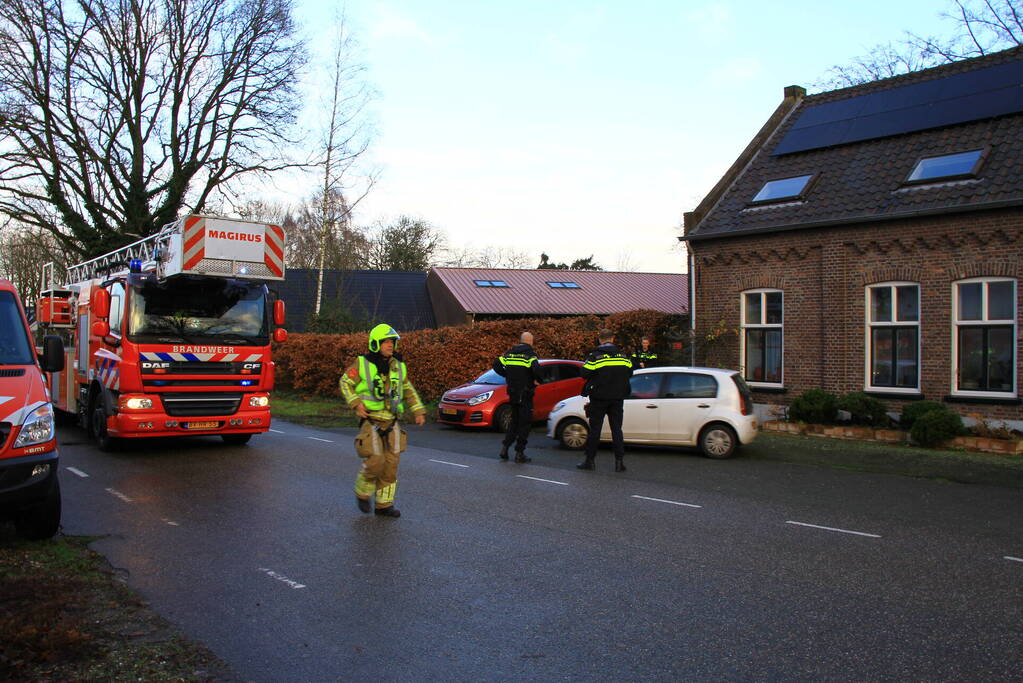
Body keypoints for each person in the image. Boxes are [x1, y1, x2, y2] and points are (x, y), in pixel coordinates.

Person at [340, 323, 426, 518]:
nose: (390, 345)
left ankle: (384, 505)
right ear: (375, 344)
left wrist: (418, 410)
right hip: (371, 420)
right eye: (385, 341)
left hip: (392, 421)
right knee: (375, 461)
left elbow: (408, 389)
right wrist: (356, 403)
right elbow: (345, 383)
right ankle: (362, 493)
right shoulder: (361, 363)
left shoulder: (398, 365)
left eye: (392, 342)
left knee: (391, 465)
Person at [577, 328, 633, 472]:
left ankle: (590, 461)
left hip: (599, 398)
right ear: (613, 339)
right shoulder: (623, 356)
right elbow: (630, 372)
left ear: (600, 339)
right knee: (617, 430)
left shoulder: (595, 356)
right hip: (617, 398)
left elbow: (584, 373)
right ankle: (619, 463)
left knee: (595, 430)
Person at [492, 331, 543, 463]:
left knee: (514, 422)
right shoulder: (530, 355)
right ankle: (519, 453)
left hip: (513, 393)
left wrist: (506, 375)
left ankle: (505, 448)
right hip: (525, 393)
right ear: (531, 342)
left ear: (520, 340)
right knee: (524, 424)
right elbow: (537, 370)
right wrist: (537, 380)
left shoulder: (510, 353)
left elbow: (496, 364)